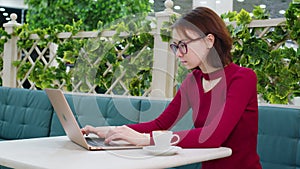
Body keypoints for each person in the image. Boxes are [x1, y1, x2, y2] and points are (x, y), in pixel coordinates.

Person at [81, 7, 262, 169]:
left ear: (209, 40)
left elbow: (214, 136)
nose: (179, 54)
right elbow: (160, 124)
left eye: (184, 45)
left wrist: (146, 140)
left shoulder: (242, 78)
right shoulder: (193, 81)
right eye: (176, 46)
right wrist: (113, 131)